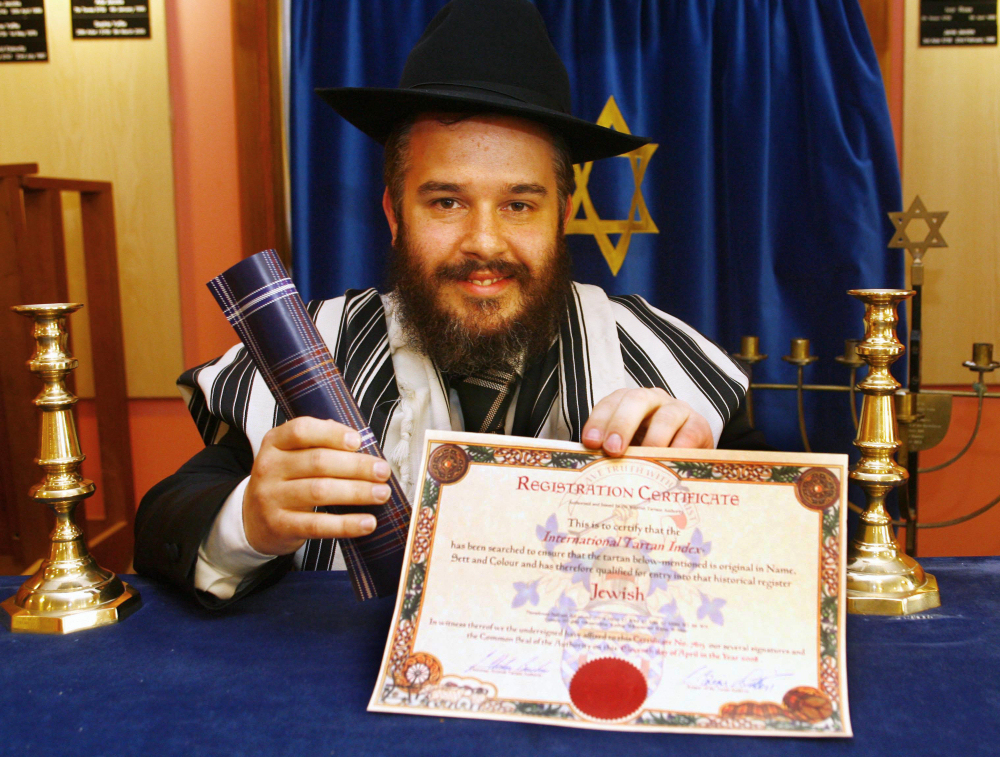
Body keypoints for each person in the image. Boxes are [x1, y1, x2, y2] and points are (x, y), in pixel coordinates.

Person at [134, 0, 766, 607]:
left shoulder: (664, 362)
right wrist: (247, 522)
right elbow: (171, 518)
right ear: (394, 215)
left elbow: (772, 555)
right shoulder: (313, 354)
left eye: (519, 204)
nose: (484, 242)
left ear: (562, 217)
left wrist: (710, 490)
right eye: (447, 202)